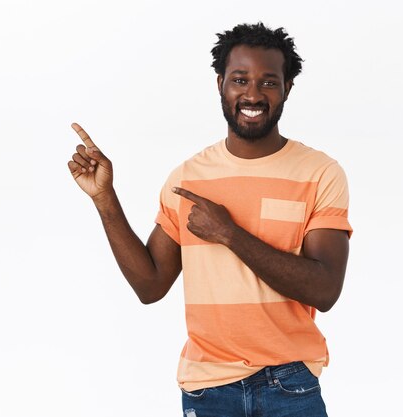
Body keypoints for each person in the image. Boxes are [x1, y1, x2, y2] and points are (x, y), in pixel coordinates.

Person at [67, 22, 351, 417]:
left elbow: (325, 289)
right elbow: (150, 286)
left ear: (287, 89)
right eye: (240, 79)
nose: (252, 94)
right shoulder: (186, 177)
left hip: (290, 384)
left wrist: (230, 234)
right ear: (220, 84)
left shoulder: (320, 172)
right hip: (209, 389)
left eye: (269, 82)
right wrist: (105, 199)